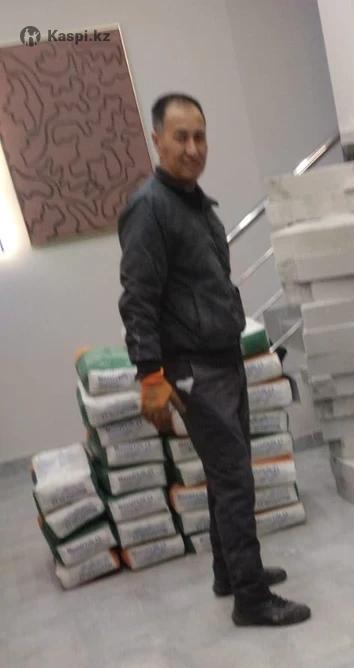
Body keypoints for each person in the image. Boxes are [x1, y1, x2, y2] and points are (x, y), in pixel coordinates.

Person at [118, 93, 311, 627]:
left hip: (221, 360)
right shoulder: (149, 208)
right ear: (157, 140)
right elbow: (138, 298)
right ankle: (251, 599)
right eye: (180, 137)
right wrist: (150, 375)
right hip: (193, 369)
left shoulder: (195, 204)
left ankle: (229, 572)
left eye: (199, 136)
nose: (192, 148)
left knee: (229, 471)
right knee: (234, 480)